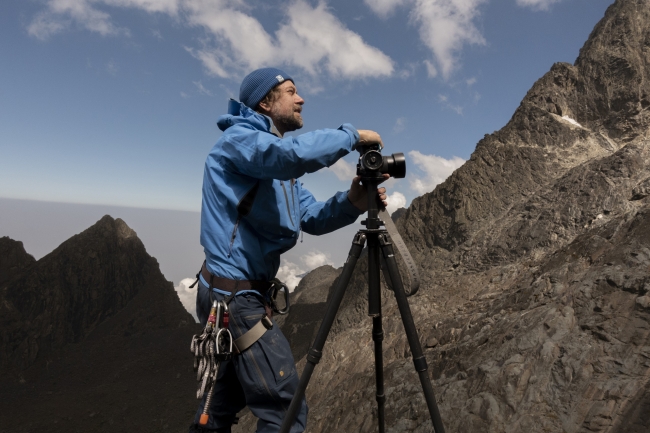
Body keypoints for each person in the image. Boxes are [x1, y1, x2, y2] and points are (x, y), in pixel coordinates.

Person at [190, 67, 388, 433]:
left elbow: (309, 216)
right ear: (265, 102)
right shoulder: (241, 142)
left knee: (218, 410)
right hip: (235, 301)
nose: (301, 99)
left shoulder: (272, 160)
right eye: (292, 92)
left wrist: (353, 200)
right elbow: (289, 157)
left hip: (233, 296)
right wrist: (351, 136)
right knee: (285, 413)